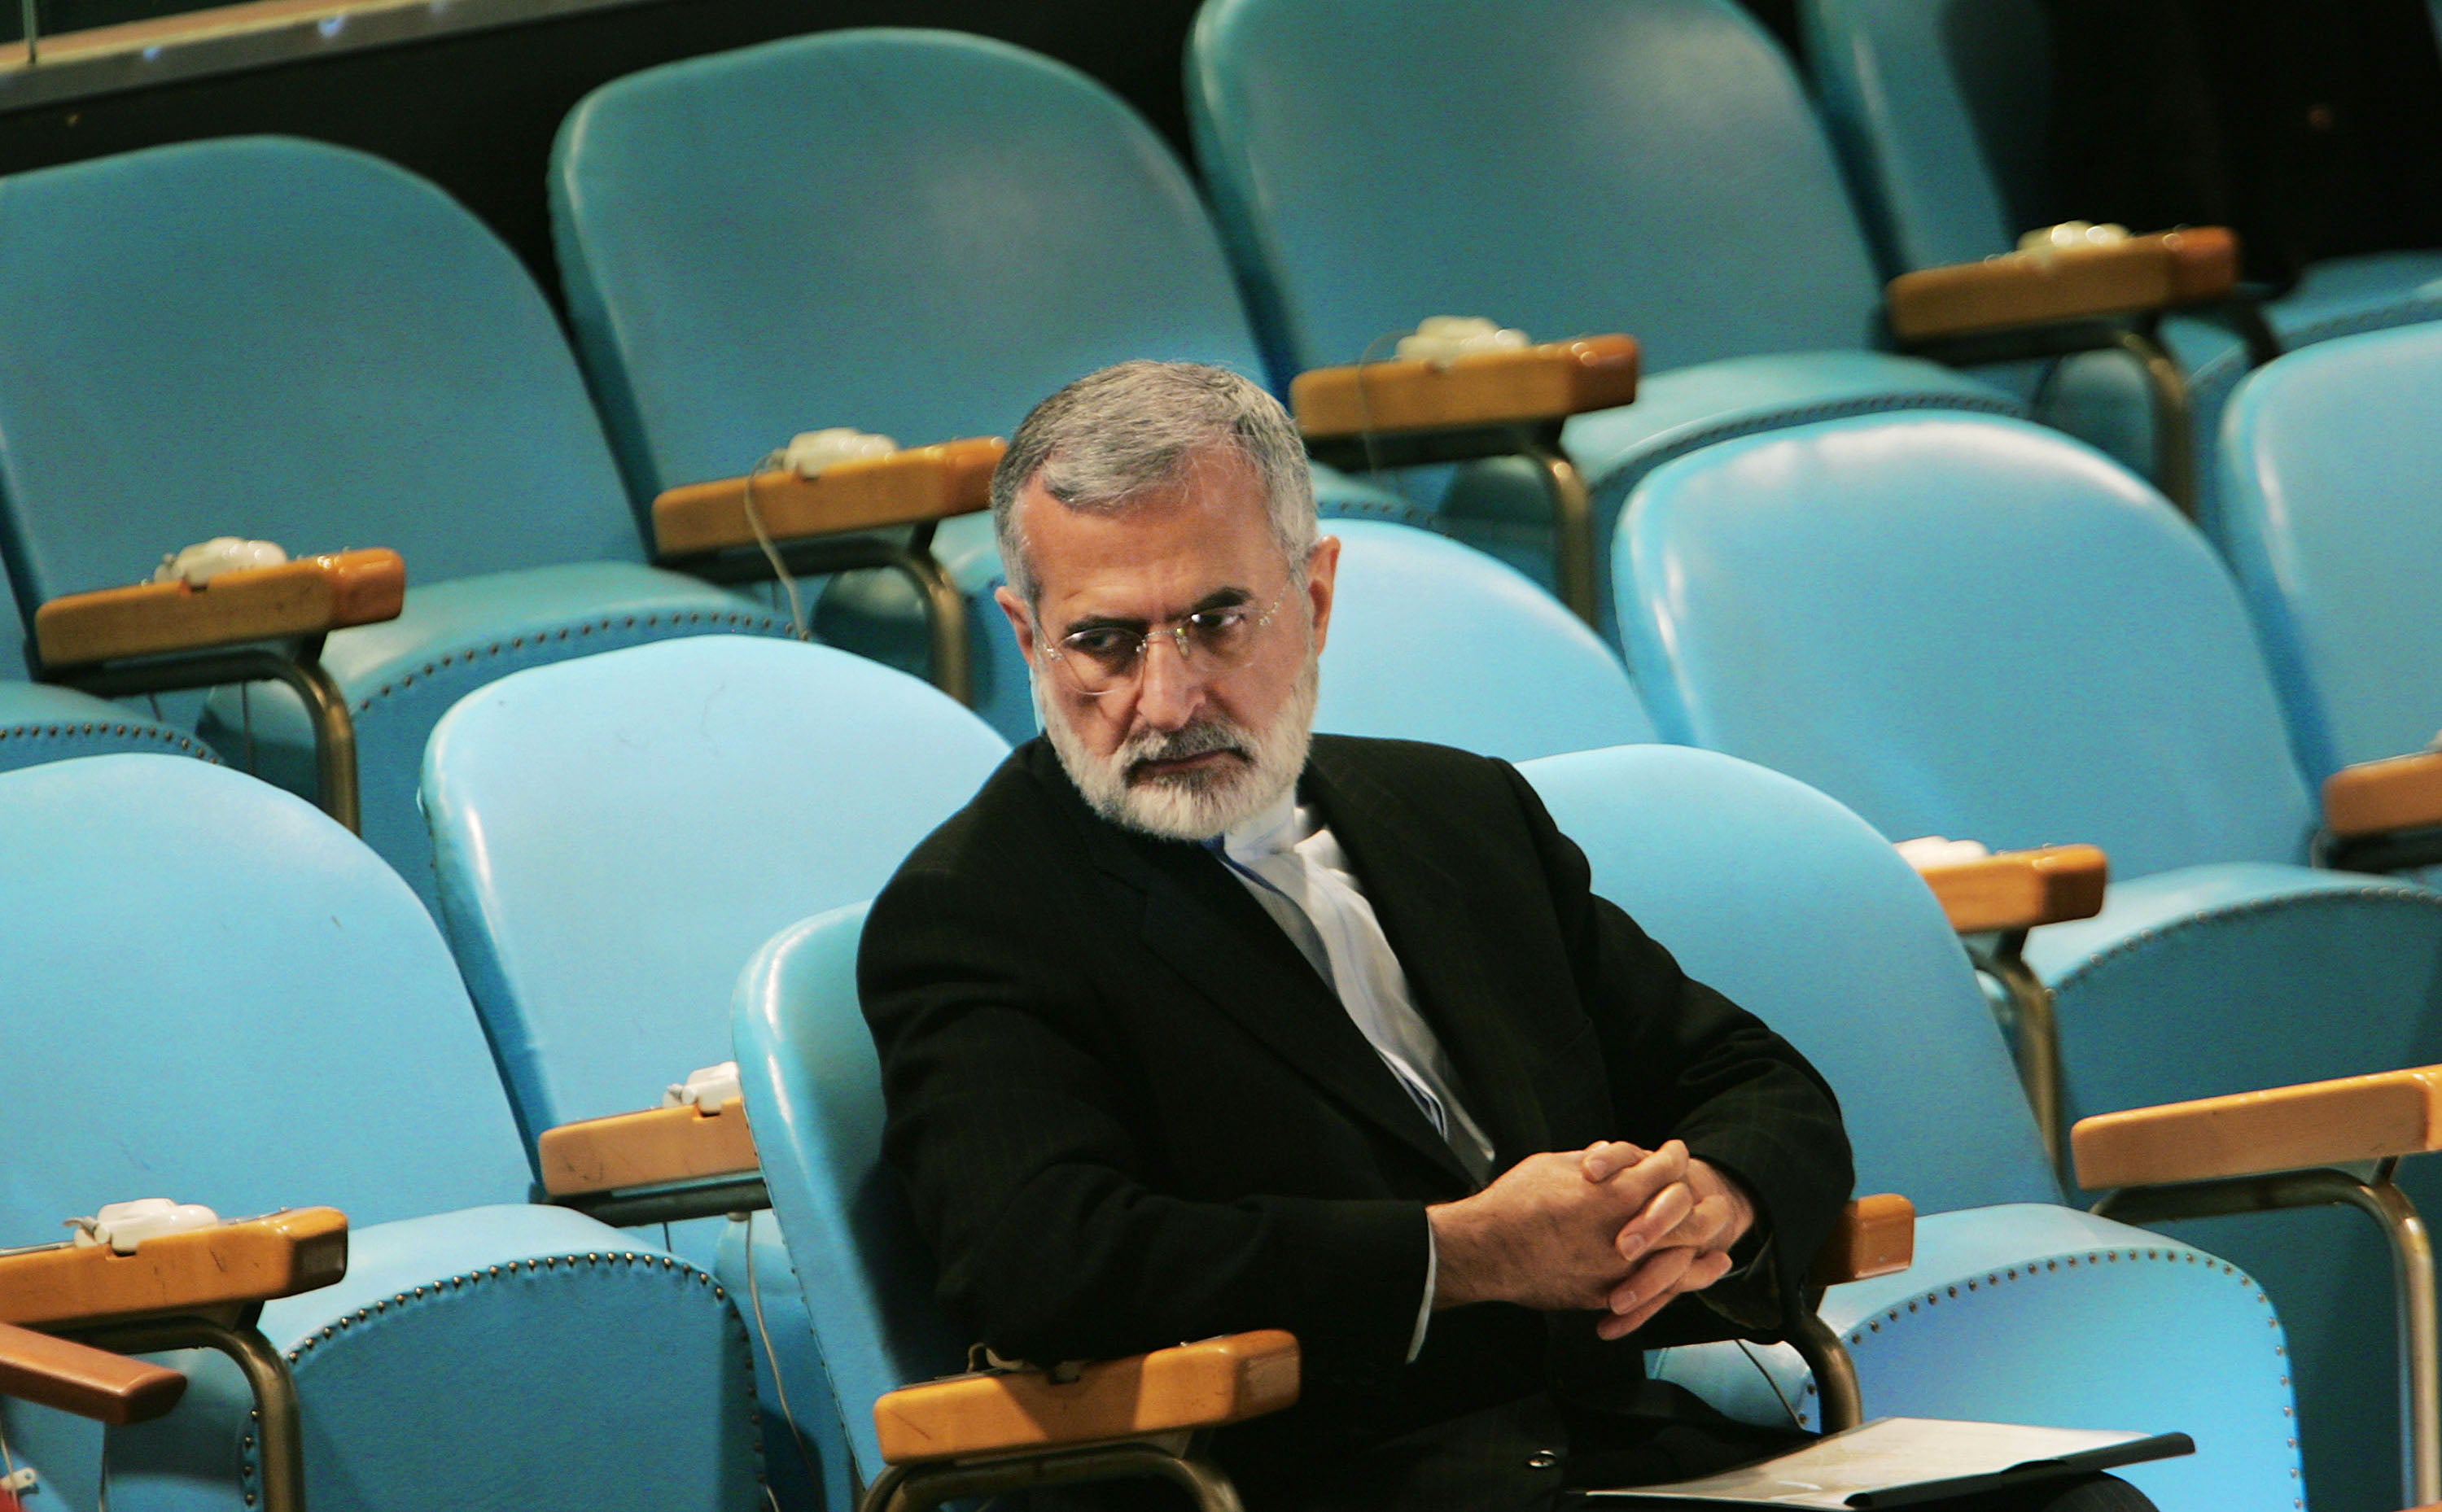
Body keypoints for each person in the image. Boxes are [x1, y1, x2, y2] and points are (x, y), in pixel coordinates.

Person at [859, 361, 2153, 1510]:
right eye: (1104, 641)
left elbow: (1755, 1081)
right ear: (1028, 639)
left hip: (1623, 1454)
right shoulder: (981, 909)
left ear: (1315, 594)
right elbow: (1048, 1262)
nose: (1170, 692)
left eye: (1217, 618)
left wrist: (1717, 1191)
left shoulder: (1455, 812)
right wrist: (1459, 1253)